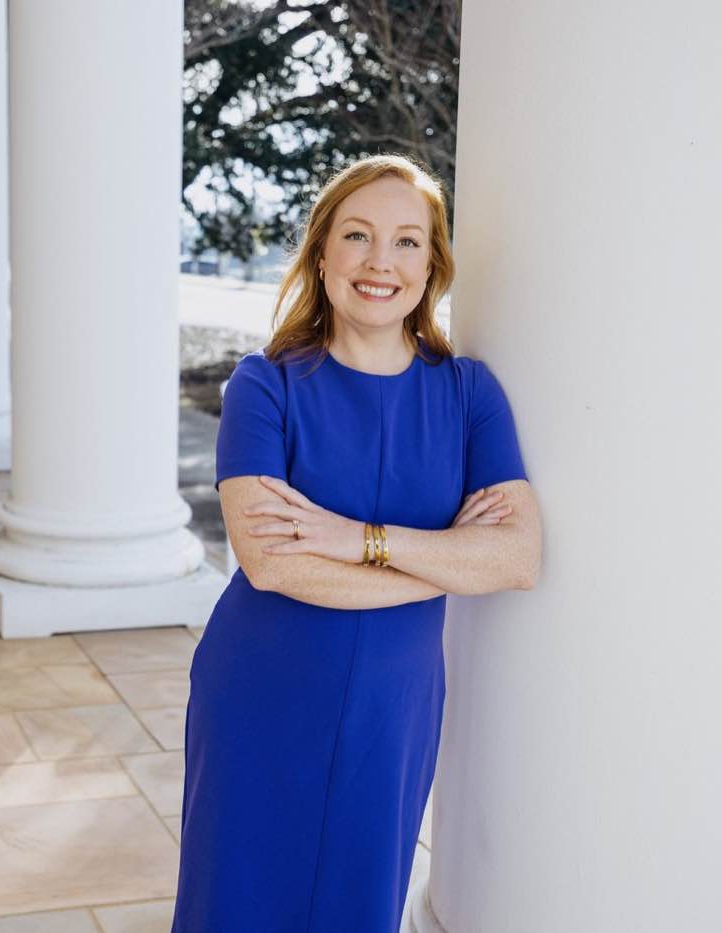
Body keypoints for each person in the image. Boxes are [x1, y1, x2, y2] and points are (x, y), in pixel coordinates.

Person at [170, 154, 543, 933]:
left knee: (361, 904)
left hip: (394, 704)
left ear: (433, 264)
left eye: (408, 242)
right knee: (235, 899)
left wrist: (358, 540)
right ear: (321, 252)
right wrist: (444, 560)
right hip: (261, 689)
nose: (381, 262)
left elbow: (516, 556)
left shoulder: (470, 394)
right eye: (358, 235)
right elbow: (269, 562)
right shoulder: (263, 385)